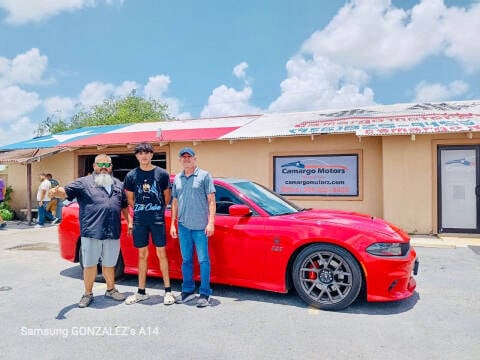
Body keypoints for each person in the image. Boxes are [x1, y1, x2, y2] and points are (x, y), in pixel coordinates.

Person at [49, 154, 132, 308]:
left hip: (112, 231)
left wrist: (130, 221)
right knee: (90, 264)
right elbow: (65, 191)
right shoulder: (83, 183)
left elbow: (124, 205)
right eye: (100, 164)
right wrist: (55, 192)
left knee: (109, 264)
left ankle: (111, 290)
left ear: (111, 167)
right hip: (92, 231)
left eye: (107, 165)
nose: (103, 168)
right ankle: (87, 294)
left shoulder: (118, 184)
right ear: (94, 166)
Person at [123, 143, 175, 305]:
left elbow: (167, 197)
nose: (144, 156)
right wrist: (141, 210)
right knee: (142, 255)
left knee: (161, 254)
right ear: (136, 156)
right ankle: (141, 292)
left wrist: (156, 210)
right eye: (140, 153)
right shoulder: (131, 176)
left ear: (152, 155)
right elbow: (130, 200)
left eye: (147, 153)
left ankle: (168, 291)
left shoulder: (161, 174)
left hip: (157, 219)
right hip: (140, 220)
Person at [170, 147, 216, 308]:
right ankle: (187, 291)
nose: (187, 159)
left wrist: (211, 222)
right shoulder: (177, 178)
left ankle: (204, 293)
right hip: (183, 227)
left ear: (195, 159)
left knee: (204, 260)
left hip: (201, 227)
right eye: (183, 157)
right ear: (180, 160)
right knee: (186, 260)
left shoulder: (204, 176)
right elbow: (174, 202)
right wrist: (172, 224)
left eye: (189, 156)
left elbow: (211, 200)